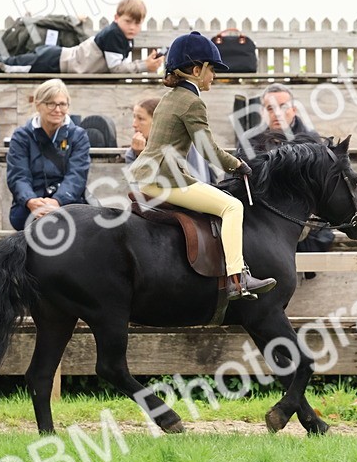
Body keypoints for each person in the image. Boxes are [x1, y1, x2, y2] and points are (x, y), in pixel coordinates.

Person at [128, 31, 276, 301]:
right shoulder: (192, 102)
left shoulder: (170, 97)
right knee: (233, 207)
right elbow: (208, 150)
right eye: (212, 69)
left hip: (150, 175)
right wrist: (238, 165)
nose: (214, 76)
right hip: (164, 179)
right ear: (196, 70)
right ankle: (237, 279)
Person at [244, 84, 334, 274]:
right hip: (262, 218)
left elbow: (320, 188)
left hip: (301, 219)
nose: (277, 113)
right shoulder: (250, 142)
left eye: (283, 107)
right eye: (270, 108)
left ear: (293, 109)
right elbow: (241, 181)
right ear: (262, 112)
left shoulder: (311, 141)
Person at [0, 0, 164, 75]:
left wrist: (144, 64)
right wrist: (144, 66)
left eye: (137, 23)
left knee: (8, 65)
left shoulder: (123, 36)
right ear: (116, 18)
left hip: (57, 58)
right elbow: (115, 68)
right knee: (6, 67)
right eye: (128, 21)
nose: (132, 27)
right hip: (54, 61)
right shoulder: (114, 34)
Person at [6, 79, 91, 230]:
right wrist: (31, 201)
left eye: (62, 104)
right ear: (38, 105)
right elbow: (18, 175)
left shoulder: (78, 136)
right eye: (51, 104)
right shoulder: (22, 136)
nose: (57, 110)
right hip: (31, 206)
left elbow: (77, 175)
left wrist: (57, 201)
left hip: (67, 204)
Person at [123, 96, 210, 182]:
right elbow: (136, 188)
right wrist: (140, 157)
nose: (134, 124)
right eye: (134, 117)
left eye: (140, 119)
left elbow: (200, 182)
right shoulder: (133, 152)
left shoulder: (186, 146)